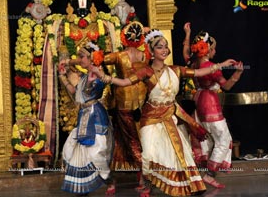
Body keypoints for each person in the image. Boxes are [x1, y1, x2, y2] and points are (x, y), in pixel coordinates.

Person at [91, 29, 239, 196]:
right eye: (159, 47)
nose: (164, 50)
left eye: (165, 47)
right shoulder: (145, 71)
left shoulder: (175, 70)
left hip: (168, 117)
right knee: (148, 154)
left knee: (176, 152)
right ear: (152, 52)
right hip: (150, 119)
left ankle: (177, 184)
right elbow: (125, 82)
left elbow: (198, 72)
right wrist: (104, 77)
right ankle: (147, 183)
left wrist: (220, 65)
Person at [183, 27, 244, 189]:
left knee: (209, 141)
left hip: (199, 105)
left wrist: (187, 34)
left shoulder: (193, 62)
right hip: (210, 105)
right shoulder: (212, 67)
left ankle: (203, 175)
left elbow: (185, 52)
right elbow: (227, 86)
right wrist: (237, 74)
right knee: (223, 140)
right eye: (213, 48)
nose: (215, 51)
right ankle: (209, 175)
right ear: (208, 49)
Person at [59, 42, 115, 196]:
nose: (79, 59)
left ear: (91, 59)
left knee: (96, 154)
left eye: (82, 56)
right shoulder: (84, 77)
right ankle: (82, 188)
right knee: (72, 151)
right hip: (84, 117)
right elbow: (75, 92)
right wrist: (62, 75)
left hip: (95, 116)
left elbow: (95, 90)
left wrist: (91, 82)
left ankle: (109, 179)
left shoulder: (99, 75)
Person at [103, 21, 150, 190]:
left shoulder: (119, 56)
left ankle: (144, 175)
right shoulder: (144, 56)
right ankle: (130, 174)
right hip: (141, 100)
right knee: (135, 136)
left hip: (123, 102)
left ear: (124, 37)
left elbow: (101, 59)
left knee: (130, 139)